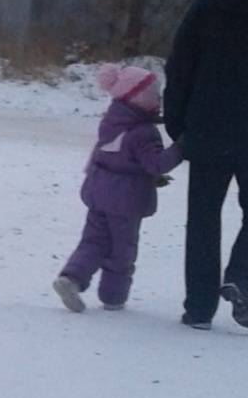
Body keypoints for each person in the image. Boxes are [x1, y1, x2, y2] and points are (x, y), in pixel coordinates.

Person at [165, 0, 248, 330]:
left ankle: (199, 309)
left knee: (203, 217)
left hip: (208, 129)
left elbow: (179, 66)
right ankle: (240, 277)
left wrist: (177, 124)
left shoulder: (206, 7)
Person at [53, 65, 182, 314]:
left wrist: (149, 178)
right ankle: (113, 297)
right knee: (122, 249)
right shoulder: (143, 132)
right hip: (126, 201)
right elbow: (156, 163)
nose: (158, 100)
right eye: (155, 96)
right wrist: (182, 147)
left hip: (99, 191)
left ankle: (71, 278)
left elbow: (121, 159)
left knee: (92, 241)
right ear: (140, 98)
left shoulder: (113, 121)